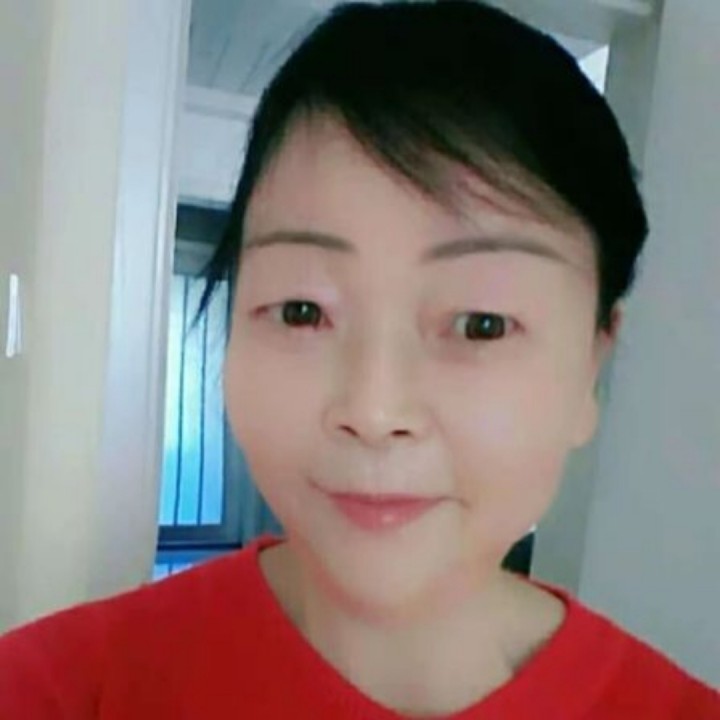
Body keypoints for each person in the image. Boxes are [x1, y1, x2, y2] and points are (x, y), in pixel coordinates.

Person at [1, 1, 718, 717]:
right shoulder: (60, 690)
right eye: (302, 311)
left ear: (592, 362)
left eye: (481, 324)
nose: (374, 412)